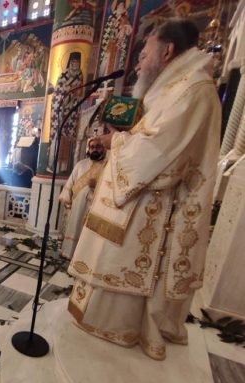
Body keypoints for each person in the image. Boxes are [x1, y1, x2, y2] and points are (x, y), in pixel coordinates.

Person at [67, 19, 221, 361]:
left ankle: (123, 331)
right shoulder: (173, 87)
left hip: (153, 208)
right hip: (137, 201)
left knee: (126, 272)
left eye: (144, 53)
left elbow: (159, 152)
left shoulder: (194, 89)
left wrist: (116, 141)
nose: (138, 63)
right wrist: (118, 139)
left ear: (168, 51)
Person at [58, 138, 106, 259]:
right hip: (77, 205)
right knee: (74, 227)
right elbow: (71, 182)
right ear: (88, 149)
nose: (95, 149)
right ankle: (69, 253)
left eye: (98, 146)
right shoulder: (81, 164)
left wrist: (97, 185)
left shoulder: (107, 166)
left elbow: (110, 188)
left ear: (103, 148)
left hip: (94, 206)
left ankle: (83, 257)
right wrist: (67, 198)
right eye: (92, 147)